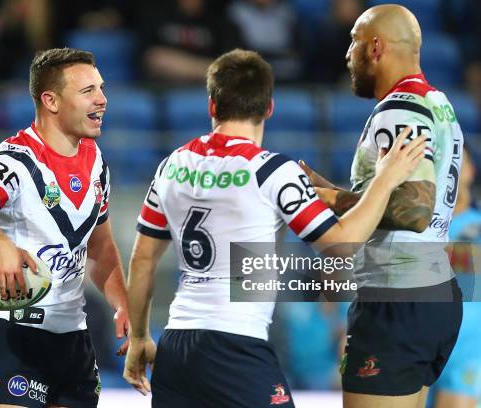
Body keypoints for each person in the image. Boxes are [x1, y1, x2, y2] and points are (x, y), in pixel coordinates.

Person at [123, 48, 427, 407]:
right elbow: (342, 247)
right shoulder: (271, 171)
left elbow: (143, 259)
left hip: (177, 346)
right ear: (269, 107)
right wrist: (385, 179)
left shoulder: (171, 165)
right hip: (236, 345)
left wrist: (141, 336)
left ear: (212, 106)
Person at [300, 5, 464, 408]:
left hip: (396, 297)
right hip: (431, 291)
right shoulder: (437, 102)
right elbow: (405, 199)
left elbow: (413, 210)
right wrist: (337, 193)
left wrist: (329, 199)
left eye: (353, 41)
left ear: (376, 47)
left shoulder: (399, 110)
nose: (347, 53)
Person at [0, 48, 129, 408]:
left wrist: (122, 303)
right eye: (88, 90)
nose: (102, 99)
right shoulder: (16, 158)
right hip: (13, 336)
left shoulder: (97, 163)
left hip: (73, 338)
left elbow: (102, 248)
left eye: (102, 88)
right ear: (51, 101)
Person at [430, 148, 481, 408]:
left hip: (468, 351)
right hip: (417, 346)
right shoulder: (416, 232)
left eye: (460, 161)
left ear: (472, 170)